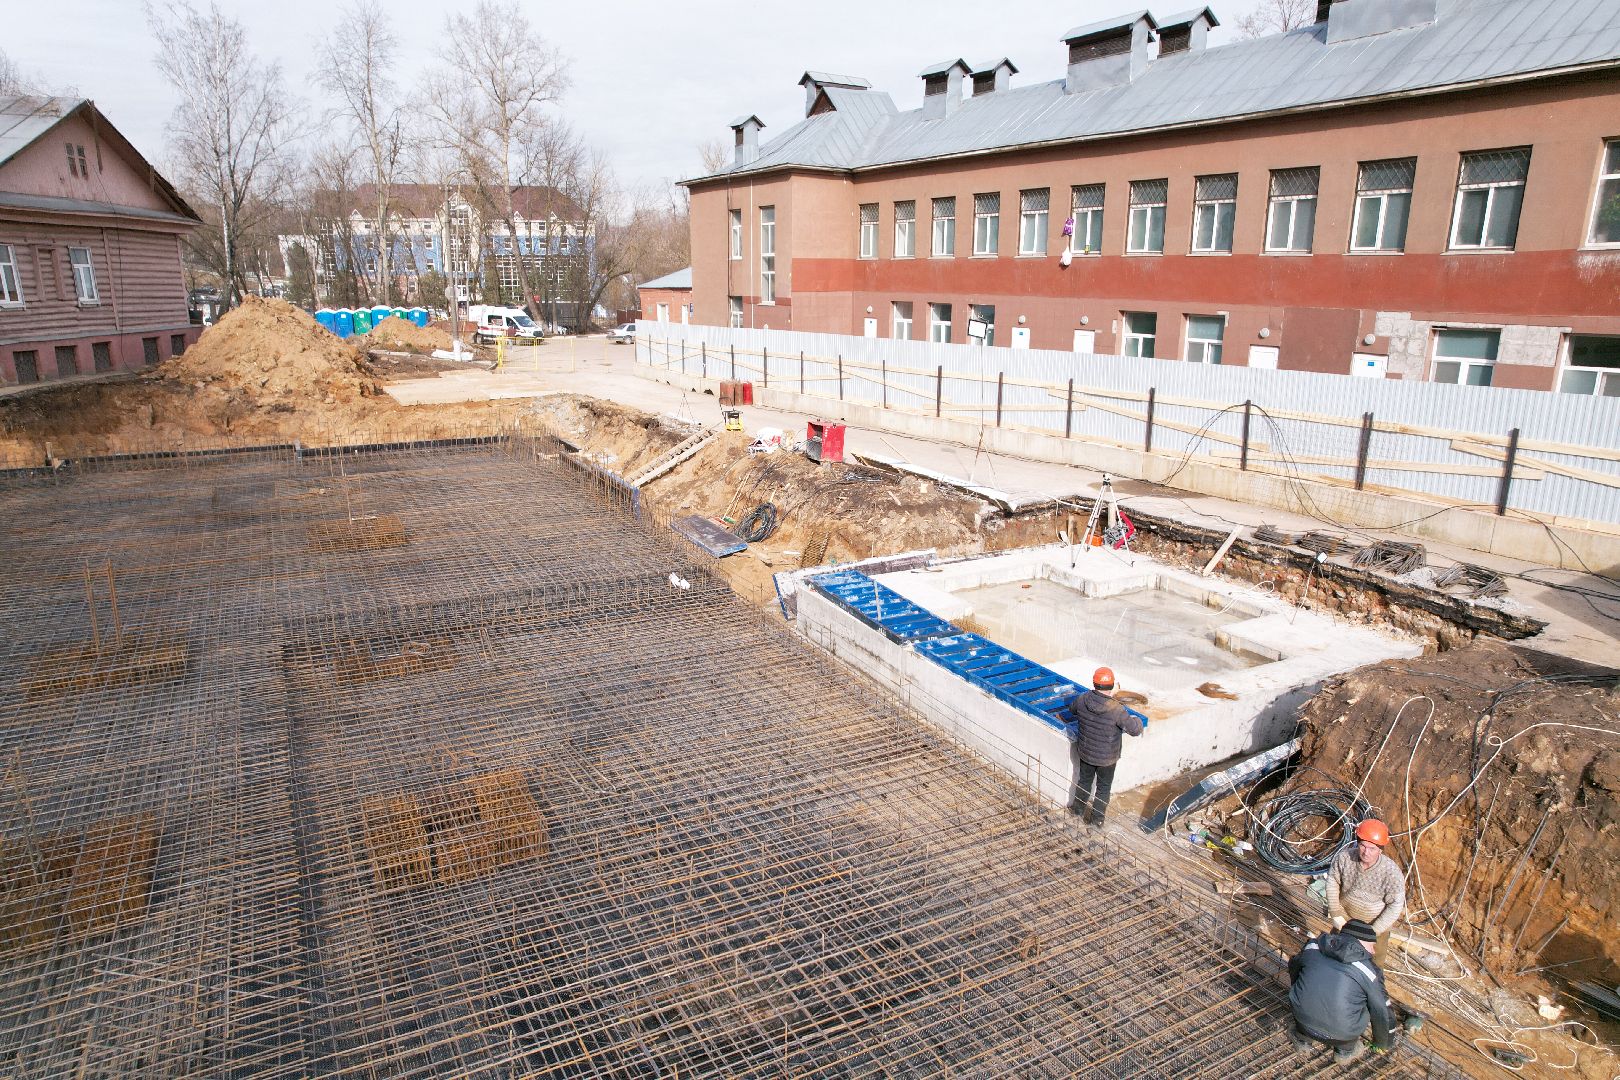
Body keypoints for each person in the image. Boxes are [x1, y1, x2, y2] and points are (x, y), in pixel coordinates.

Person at [1287, 919, 1395, 1063]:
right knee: (1368, 1001)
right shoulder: (1369, 971)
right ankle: (1345, 1052)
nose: (1373, 951)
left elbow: (1294, 967)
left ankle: (1302, 1041)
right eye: (1371, 945)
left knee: (1309, 990)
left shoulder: (1313, 946)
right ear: (1360, 942)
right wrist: (1383, 1043)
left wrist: (1299, 993)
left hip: (1302, 1018)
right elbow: (1381, 1010)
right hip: (1343, 1035)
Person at [1065, 667, 1143, 827]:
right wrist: (1138, 720)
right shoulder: (1116, 709)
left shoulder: (1083, 698)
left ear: (1094, 683)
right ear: (1112, 685)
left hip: (1086, 752)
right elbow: (1134, 730)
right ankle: (1096, 821)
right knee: (1103, 788)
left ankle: (1077, 811)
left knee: (1084, 781)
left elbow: (1072, 710)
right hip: (1107, 758)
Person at [1327, 819, 1406, 967]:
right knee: (1333, 955)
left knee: (1373, 966)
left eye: (1372, 849)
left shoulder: (1391, 873)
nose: (1366, 852)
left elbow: (1395, 906)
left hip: (1374, 925)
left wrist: (1375, 931)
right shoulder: (1344, 858)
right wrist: (1335, 912)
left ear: (1380, 850)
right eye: (1362, 846)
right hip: (1345, 919)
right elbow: (1332, 882)